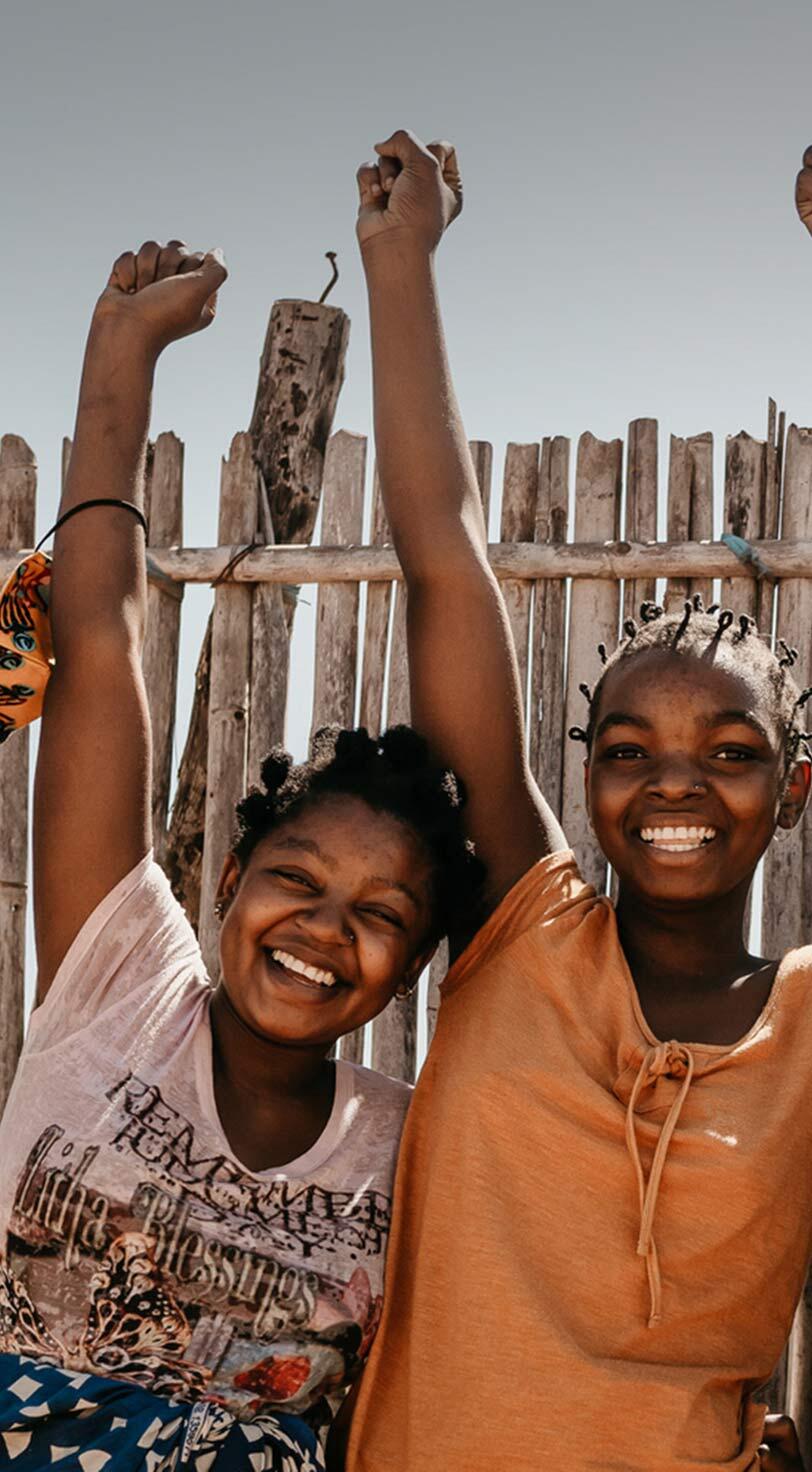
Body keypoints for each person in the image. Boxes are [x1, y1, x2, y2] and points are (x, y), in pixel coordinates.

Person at [345, 130, 812, 1472]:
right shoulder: (519, 933)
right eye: (630, 750)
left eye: (729, 752)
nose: (676, 783)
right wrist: (400, 260)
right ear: (584, 775)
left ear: (791, 788)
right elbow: (446, 562)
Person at [0, 240, 482, 1471]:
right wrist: (121, 358)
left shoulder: (411, 1149)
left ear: (418, 961)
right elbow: (100, 651)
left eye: (379, 913)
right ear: (226, 882)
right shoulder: (121, 992)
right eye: (296, 879)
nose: (323, 928)